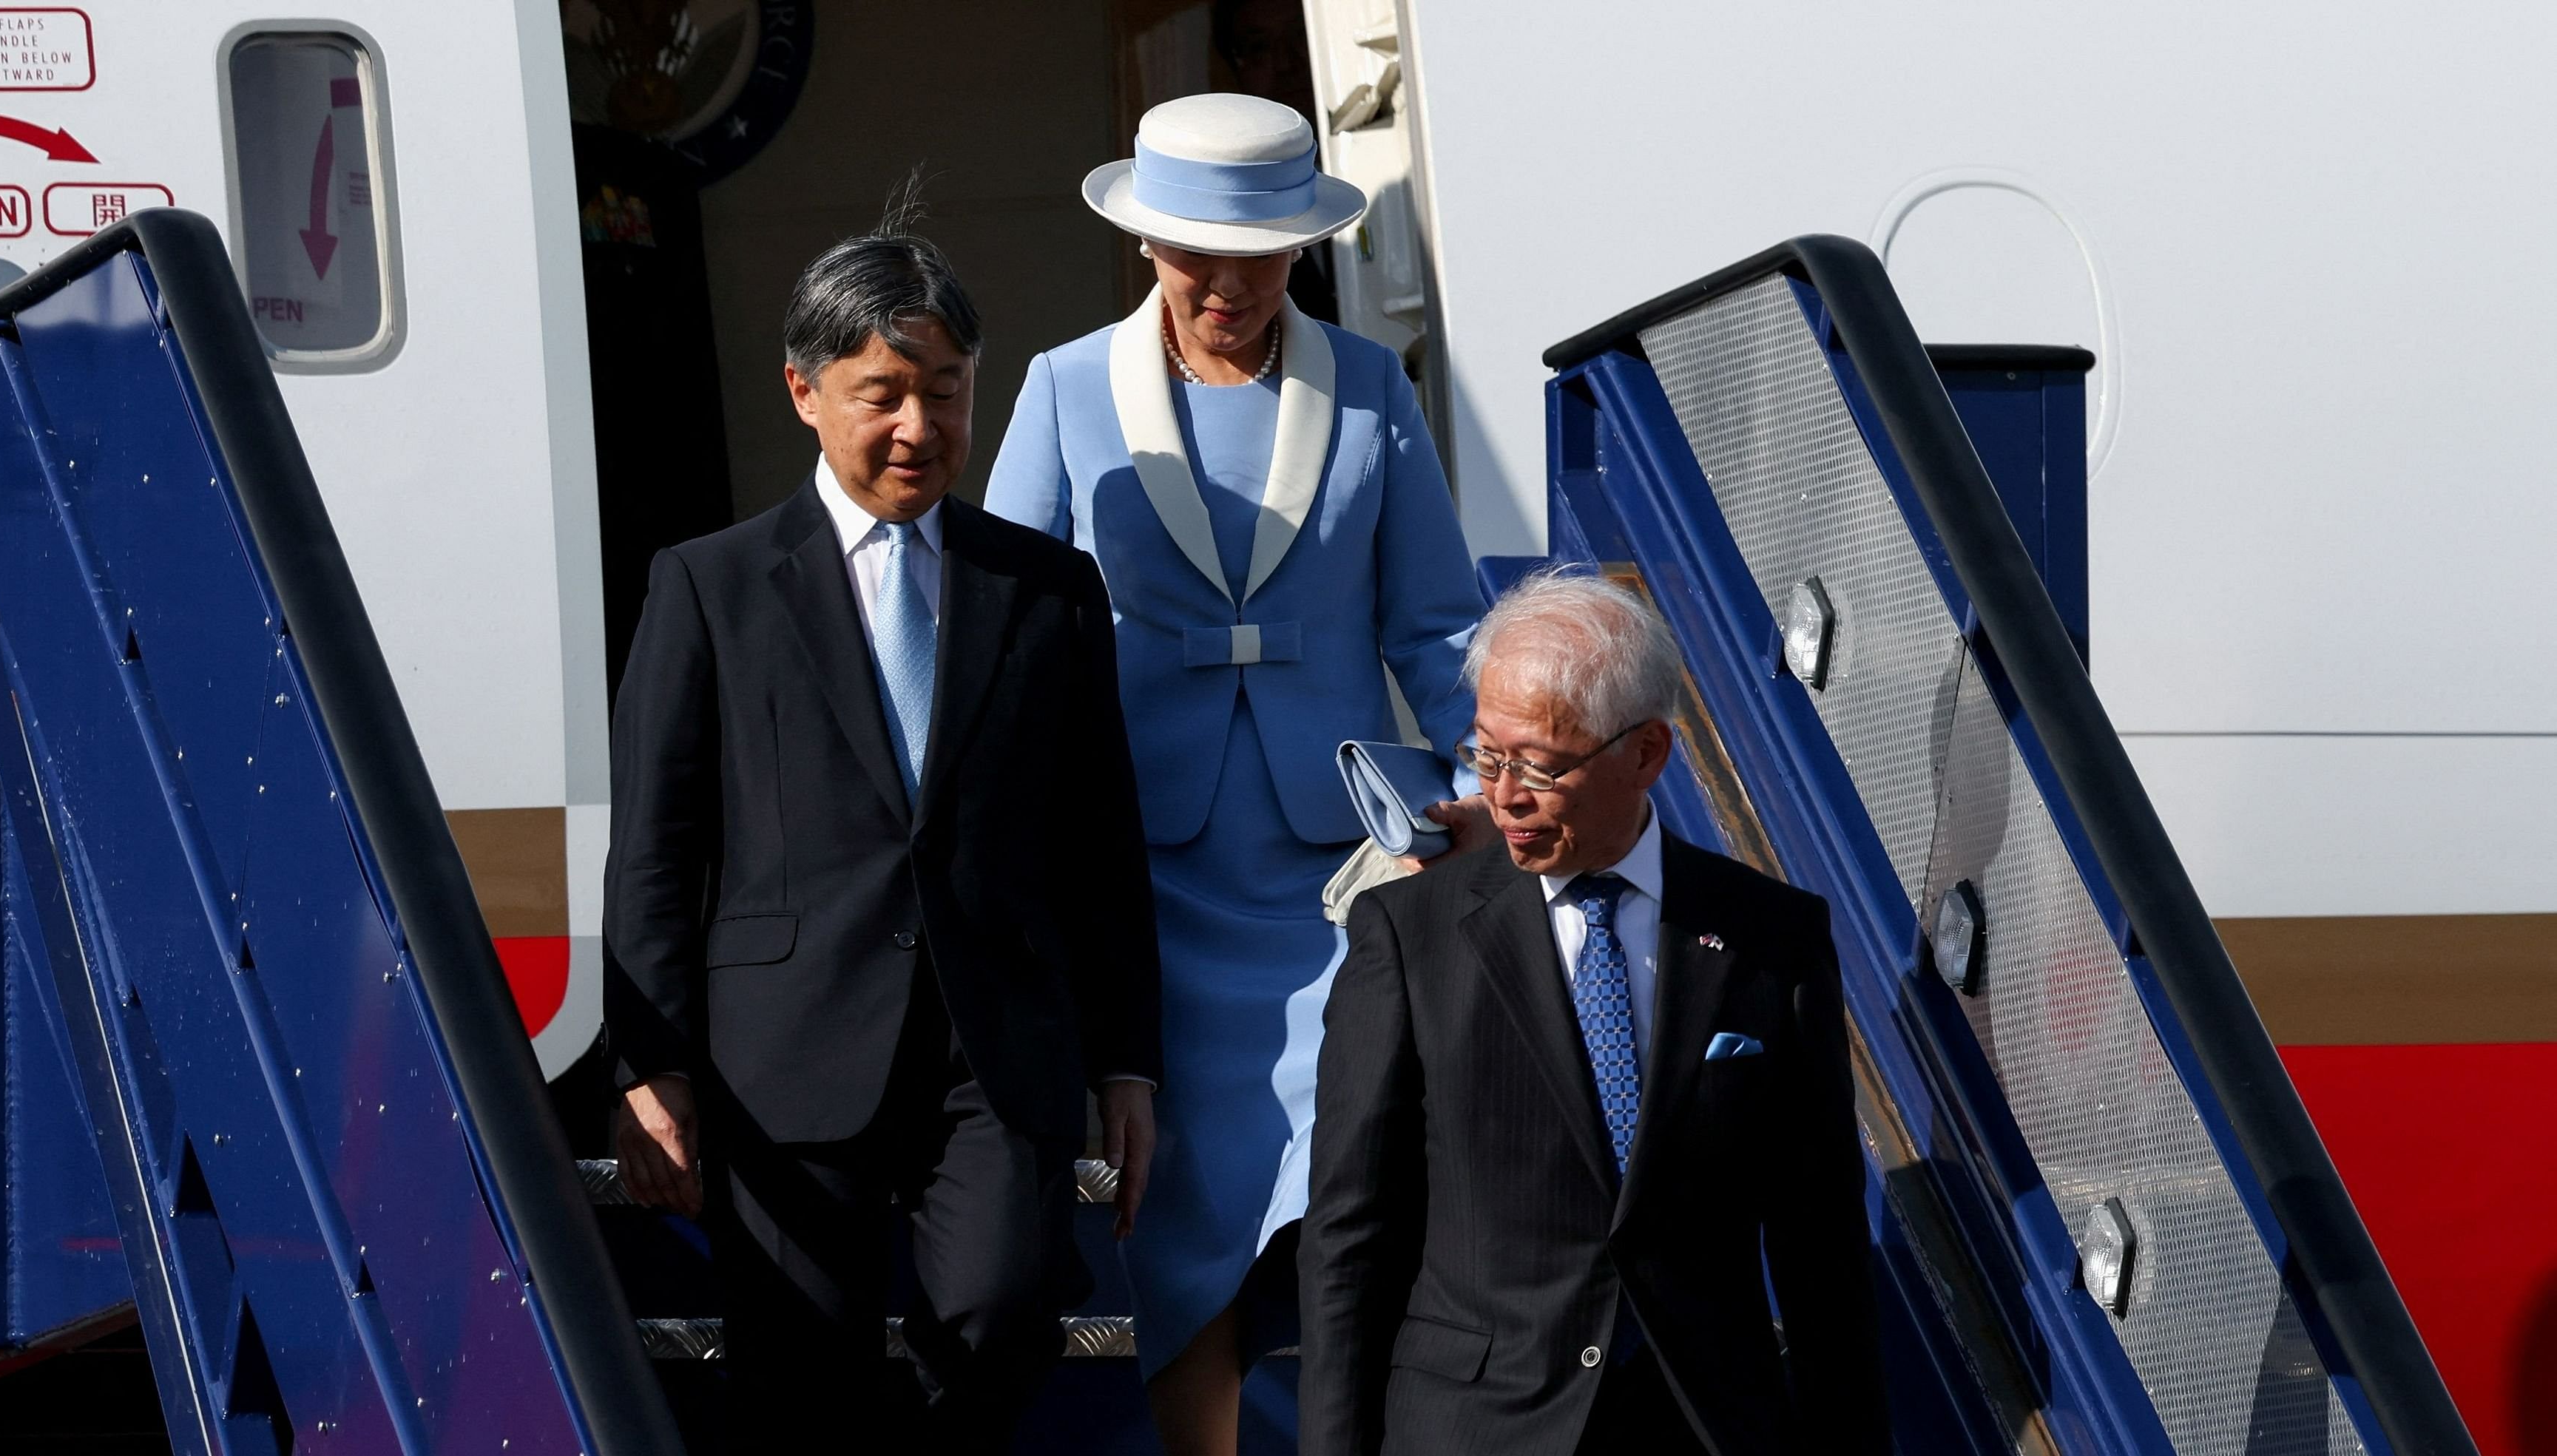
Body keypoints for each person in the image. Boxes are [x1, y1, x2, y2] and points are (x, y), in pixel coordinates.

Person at [604, 222, 1163, 1453]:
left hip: (995, 1047)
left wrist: (1128, 1058)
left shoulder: (1047, 587)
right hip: (786, 1049)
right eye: (884, 394)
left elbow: (1098, 844)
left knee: (1010, 1307)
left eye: (946, 392)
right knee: (799, 1367)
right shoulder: (711, 583)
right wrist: (649, 1066)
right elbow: (655, 842)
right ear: (806, 393)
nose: (920, 425)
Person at [986, 92, 1486, 1455]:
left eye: (1259, 257)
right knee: (1177, 1200)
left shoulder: (1372, 388)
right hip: (1140, 871)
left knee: (1350, 1181)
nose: (1227, 285)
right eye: (1196, 256)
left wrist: (1496, 766)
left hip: (1334, 881)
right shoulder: (1062, 387)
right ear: (1146, 247)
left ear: (1303, 250)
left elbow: (1438, 626)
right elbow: (1003, 633)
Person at [1300, 570, 1890, 1455]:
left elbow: (1821, 1244)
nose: (1502, 794)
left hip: (1701, 1424)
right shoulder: (1409, 934)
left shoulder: (1771, 936)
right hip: (1475, 1426)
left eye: (1538, 765)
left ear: (1645, 753)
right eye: (1486, 755)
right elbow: (1349, 1235)